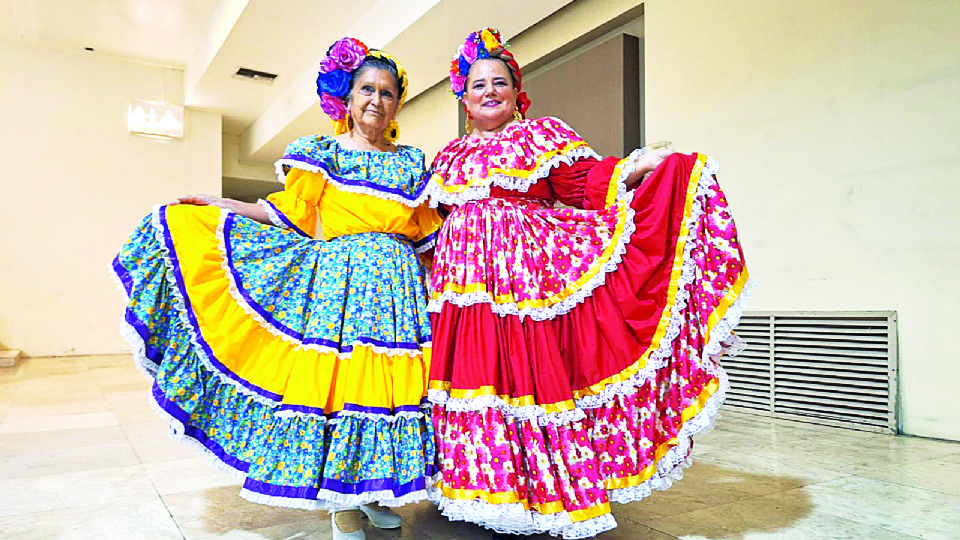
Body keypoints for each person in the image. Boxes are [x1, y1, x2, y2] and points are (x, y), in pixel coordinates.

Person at [424, 28, 751, 539]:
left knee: (525, 375)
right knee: (474, 374)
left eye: (500, 83)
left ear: (516, 92)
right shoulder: (446, 158)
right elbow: (433, 220)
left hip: (524, 274)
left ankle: (537, 492)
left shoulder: (540, 136)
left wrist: (641, 165)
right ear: (463, 97)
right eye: (478, 84)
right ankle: (478, 487)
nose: (489, 91)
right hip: (462, 284)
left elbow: (583, 183)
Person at [111, 37, 442, 540]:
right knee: (341, 390)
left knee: (392, 393)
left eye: (388, 92)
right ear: (347, 98)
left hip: (398, 289)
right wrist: (221, 203)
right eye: (366, 89)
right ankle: (343, 505)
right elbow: (285, 212)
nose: (377, 100)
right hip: (341, 287)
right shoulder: (321, 154)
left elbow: (426, 234)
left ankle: (375, 493)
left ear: (398, 102)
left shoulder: (413, 162)